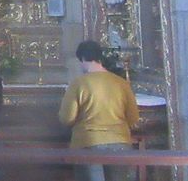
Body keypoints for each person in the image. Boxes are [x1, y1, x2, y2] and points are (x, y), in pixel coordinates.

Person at [58, 40, 139, 181]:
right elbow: (133, 118)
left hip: (88, 143)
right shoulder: (121, 83)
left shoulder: (78, 84)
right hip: (120, 142)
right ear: (99, 58)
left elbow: (67, 118)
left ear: (82, 59)